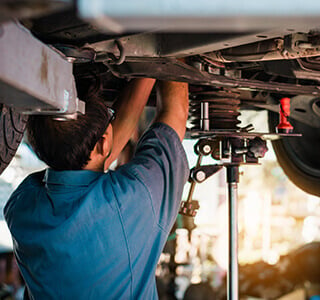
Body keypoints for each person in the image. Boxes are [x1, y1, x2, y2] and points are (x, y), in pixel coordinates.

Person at [3, 78, 189, 299]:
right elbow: (94, 158)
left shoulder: (21, 208)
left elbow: (175, 113)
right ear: (104, 142)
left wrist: (160, 60)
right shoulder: (21, 205)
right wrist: (153, 62)